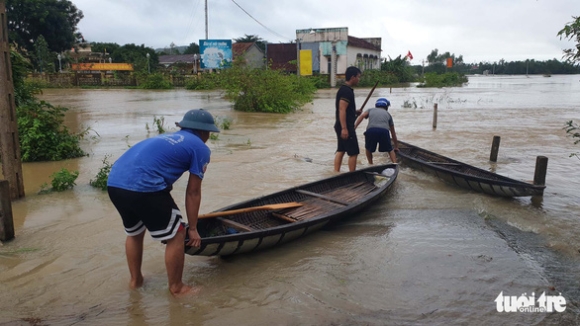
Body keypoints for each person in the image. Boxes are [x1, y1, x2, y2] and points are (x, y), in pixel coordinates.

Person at [107, 109, 220, 297]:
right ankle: (177, 288)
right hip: (144, 187)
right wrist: (192, 228)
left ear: (183, 127)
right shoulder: (200, 148)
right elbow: (193, 192)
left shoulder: (166, 138)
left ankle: (136, 281)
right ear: (204, 132)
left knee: (134, 233)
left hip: (115, 184)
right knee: (177, 233)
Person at [354, 97, 399, 165]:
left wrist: (355, 127)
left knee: (368, 149)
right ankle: (395, 164)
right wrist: (396, 146)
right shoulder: (388, 115)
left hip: (370, 131)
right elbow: (393, 133)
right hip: (384, 131)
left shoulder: (370, 110)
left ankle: (370, 164)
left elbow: (362, 116)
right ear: (386, 107)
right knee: (390, 149)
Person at [334, 66, 362, 172]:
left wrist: (355, 112)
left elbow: (345, 109)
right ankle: (352, 176)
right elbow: (342, 109)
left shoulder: (344, 89)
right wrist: (344, 128)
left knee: (341, 150)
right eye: (358, 77)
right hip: (345, 126)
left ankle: (336, 173)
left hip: (340, 125)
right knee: (354, 152)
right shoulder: (346, 91)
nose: (359, 79)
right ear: (353, 77)